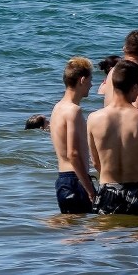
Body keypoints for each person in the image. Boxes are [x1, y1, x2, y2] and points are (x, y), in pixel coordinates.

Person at [89, 60, 138, 215]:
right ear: (134, 87)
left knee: (107, 237)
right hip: (136, 190)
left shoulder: (94, 118)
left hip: (107, 190)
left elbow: (96, 162)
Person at [50, 57, 96, 213]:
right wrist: (90, 189)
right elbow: (73, 154)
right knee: (82, 235)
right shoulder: (73, 111)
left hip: (63, 180)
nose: (92, 84)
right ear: (82, 80)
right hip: (75, 180)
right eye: (90, 80)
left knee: (72, 233)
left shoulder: (57, 108)